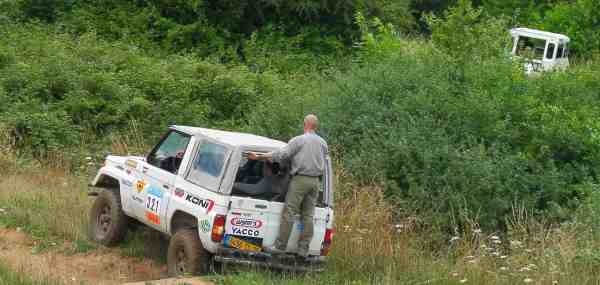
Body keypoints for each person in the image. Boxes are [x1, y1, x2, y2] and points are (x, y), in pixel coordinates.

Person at [247, 114, 328, 258]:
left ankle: (280, 246)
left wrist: (259, 157)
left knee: (289, 212)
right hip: (315, 182)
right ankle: (303, 250)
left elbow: (281, 155)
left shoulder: (299, 140)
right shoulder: (323, 143)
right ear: (316, 126)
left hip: (300, 180)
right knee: (308, 215)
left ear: (305, 124)